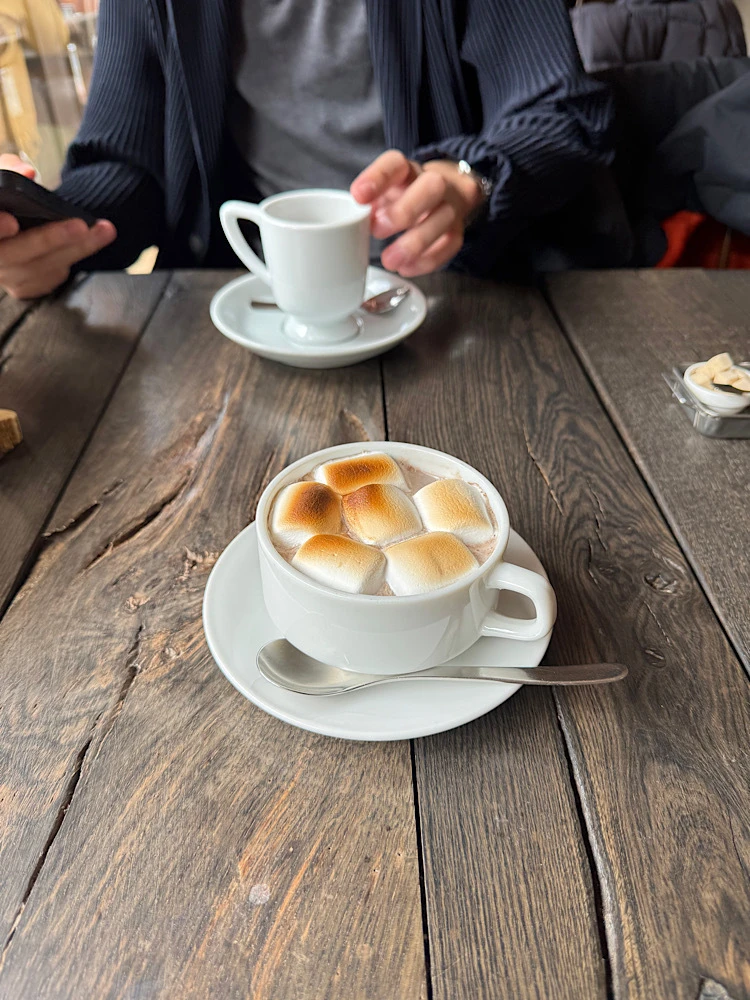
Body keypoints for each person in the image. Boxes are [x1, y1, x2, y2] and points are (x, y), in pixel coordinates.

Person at [0, 0, 614, 299]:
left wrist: (469, 180)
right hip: (251, 300)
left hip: (465, 297)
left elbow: (561, 110)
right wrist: (46, 228)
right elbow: (126, 168)